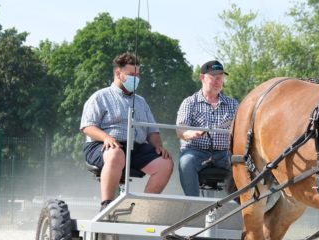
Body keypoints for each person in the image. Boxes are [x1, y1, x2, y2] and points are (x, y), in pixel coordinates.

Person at [80, 52, 172, 209]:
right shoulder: (100, 97)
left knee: (165, 163)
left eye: (138, 75)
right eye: (131, 75)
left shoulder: (142, 102)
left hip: (134, 147)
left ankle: (144, 208)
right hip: (102, 145)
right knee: (117, 153)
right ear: (118, 73)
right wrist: (106, 137)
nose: (135, 79)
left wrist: (158, 145)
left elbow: (152, 131)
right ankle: (107, 205)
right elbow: (87, 126)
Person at [175, 60, 239, 197]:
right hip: (196, 152)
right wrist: (192, 133)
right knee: (186, 163)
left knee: (245, 163)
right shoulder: (189, 103)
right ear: (202, 78)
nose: (217, 81)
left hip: (224, 154)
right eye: (213, 77)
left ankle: (241, 207)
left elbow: (241, 130)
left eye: (220, 78)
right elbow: (181, 130)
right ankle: (193, 205)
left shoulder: (233, 104)